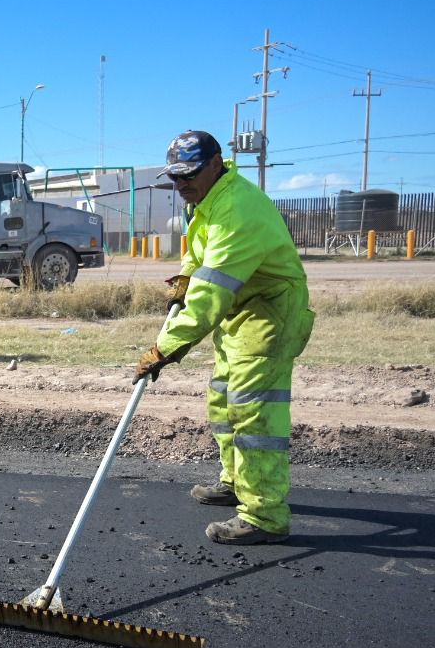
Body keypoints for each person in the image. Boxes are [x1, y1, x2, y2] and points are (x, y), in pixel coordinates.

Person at [134, 130, 315, 546]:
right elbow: (199, 257)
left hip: (268, 314)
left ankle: (265, 515)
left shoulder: (236, 209)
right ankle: (236, 481)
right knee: (222, 399)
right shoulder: (207, 200)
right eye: (175, 179)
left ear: (216, 164)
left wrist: (165, 349)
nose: (180, 186)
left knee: (255, 416)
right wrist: (182, 281)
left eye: (188, 176)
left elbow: (210, 294)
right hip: (240, 311)